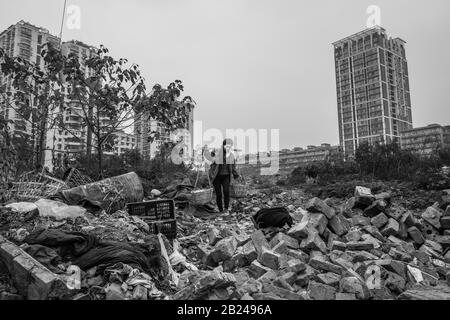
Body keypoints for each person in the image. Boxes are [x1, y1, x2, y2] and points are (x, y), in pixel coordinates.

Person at [208, 139, 239, 213]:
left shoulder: (231, 155)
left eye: (230, 146)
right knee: (218, 194)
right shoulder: (218, 152)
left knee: (226, 191)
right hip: (216, 176)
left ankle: (226, 208)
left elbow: (233, 166)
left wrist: (236, 174)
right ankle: (220, 209)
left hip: (226, 176)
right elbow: (211, 158)